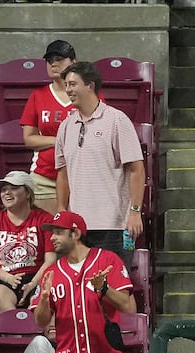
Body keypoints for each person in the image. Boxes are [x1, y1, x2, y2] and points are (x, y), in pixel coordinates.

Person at [55, 61, 145, 265]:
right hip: (78, 227)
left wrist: (135, 212)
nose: (68, 90)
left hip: (117, 226)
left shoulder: (117, 120)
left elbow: (137, 169)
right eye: (66, 85)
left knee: (117, 288)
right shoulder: (65, 126)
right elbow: (62, 173)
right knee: (78, 290)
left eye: (73, 84)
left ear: (90, 85)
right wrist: (61, 210)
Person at [32, 211, 136, 353]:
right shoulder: (51, 273)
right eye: (52, 233)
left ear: (76, 234)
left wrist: (104, 288)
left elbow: (127, 307)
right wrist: (44, 299)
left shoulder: (107, 260)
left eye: (59, 233)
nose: (52, 238)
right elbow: (41, 321)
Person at [0, 170, 58, 314]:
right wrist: (8, 278)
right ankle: (15, 333)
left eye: (14, 188)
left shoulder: (44, 219)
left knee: (45, 298)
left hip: (37, 277)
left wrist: (33, 284)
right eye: (4, 189)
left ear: (28, 193)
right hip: (3, 278)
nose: (7, 193)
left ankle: (37, 335)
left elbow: (50, 260)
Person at [20, 40, 79, 213]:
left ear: (73, 62)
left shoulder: (87, 94)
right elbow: (29, 139)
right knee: (49, 233)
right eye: (50, 59)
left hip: (82, 176)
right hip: (45, 176)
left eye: (59, 58)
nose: (53, 63)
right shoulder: (38, 96)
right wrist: (59, 141)